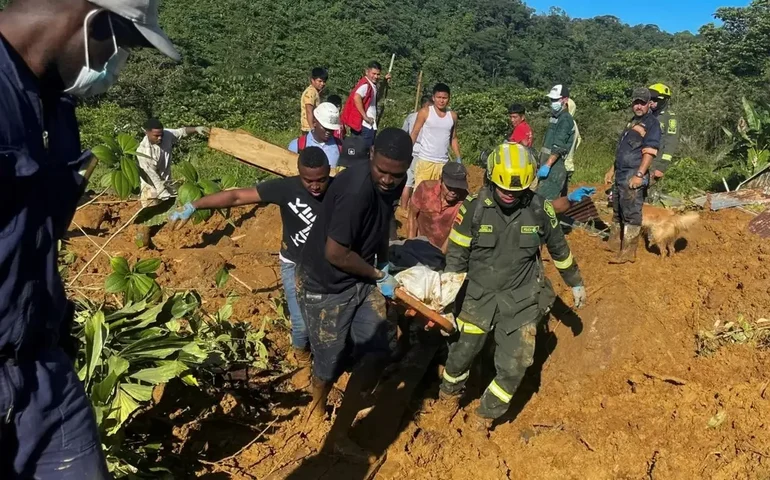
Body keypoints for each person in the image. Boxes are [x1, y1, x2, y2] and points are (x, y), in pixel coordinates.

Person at [0, 0, 180, 477]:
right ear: (93, 21)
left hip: (40, 365)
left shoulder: (52, 105)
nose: (116, 68)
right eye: (123, 46)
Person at [436, 142, 586, 433]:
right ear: (491, 178)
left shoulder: (539, 209)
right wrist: (445, 301)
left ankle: (485, 416)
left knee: (517, 362)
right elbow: (456, 256)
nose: (509, 195)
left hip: (521, 299)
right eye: (503, 188)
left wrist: (575, 283)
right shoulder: (474, 207)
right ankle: (448, 397)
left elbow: (559, 249)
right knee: (461, 354)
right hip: (477, 296)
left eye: (516, 192)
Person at [296, 128, 412, 454]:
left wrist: (385, 261)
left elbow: (383, 219)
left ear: (407, 166)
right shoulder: (355, 188)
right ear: (371, 155)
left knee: (376, 354)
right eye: (382, 171)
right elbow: (335, 253)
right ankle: (316, 408)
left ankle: (340, 432)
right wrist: (377, 273)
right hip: (326, 283)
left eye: (396, 173)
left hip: (360, 277)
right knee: (329, 363)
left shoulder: (394, 180)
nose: (388, 180)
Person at [169, 147, 332, 367]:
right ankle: (302, 360)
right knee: (301, 325)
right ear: (299, 173)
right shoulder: (286, 188)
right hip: (294, 264)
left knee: (330, 320)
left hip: (328, 264)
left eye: (321, 180)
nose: (315, 186)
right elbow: (236, 197)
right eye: (308, 180)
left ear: (329, 171)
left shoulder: (339, 190)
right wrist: (194, 205)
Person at [603, 87, 661, 264]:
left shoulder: (652, 124)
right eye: (636, 102)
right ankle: (614, 243)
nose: (638, 106)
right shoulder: (632, 123)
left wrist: (639, 174)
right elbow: (622, 150)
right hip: (621, 171)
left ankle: (628, 253)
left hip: (633, 173)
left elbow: (650, 152)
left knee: (631, 212)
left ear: (649, 104)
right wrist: (611, 170)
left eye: (642, 103)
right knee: (618, 211)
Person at [138, 118, 209, 207]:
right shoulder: (143, 152)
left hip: (167, 181)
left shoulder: (166, 134)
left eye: (161, 135)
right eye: (156, 136)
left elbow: (182, 132)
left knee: (173, 208)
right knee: (153, 211)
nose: (160, 138)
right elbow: (152, 177)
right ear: (146, 133)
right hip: (151, 186)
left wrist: (196, 129)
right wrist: (164, 194)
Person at [407, 162, 468, 253]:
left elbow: (453, 233)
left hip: (445, 252)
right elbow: (412, 216)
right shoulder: (425, 189)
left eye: (458, 188)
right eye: (450, 187)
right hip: (420, 245)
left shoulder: (465, 202)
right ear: (441, 180)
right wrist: (410, 248)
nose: (453, 192)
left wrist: (440, 257)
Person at [409, 83, 462, 189]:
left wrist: (458, 157)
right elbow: (414, 133)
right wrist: (407, 152)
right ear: (433, 98)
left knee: (438, 196)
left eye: (444, 98)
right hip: (425, 161)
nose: (441, 101)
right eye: (439, 97)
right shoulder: (425, 112)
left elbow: (453, 138)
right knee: (421, 195)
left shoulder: (452, 116)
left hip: (443, 163)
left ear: (449, 99)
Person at [340, 61, 391, 149]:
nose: (376, 76)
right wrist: (365, 116)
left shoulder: (371, 85)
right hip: (365, 125)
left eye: (378, 74)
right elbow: (357, 97)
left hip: (366, 124)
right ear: (367, 72)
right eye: (373, 73)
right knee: (362, 151)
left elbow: (377, 97)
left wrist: (384, 83)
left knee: (358, 150)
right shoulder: (366, 85)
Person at [536, 84, 575, 200]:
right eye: (552, 99)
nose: (553, 102)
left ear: (565, 100)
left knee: (545, 201)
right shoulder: (555, 117)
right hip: (547, 164)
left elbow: (558, 145)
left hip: (554, 167)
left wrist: (547, 165)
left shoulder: (565, 119)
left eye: (556, 99)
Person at [401, 95, 434, 209]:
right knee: (420, 183)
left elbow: (404, 132)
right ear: (426, 105)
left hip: (411, 150)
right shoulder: (429, 118)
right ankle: (415, 209)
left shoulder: (411, 117)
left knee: (408, 181)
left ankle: (403, 208)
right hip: (423, 153)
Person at [647, 83, 679, 202]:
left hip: (655, 162)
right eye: (650, 99)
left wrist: (662, 166)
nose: (651, 102)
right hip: (641, 159)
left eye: (655, 100)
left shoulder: (670, 118)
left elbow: (670, 143)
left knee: (648, 194)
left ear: (664, 100)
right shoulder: (647, 115)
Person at [288, 102, 342, 168]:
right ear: (314, 122)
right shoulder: (297, 146)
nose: (328, 132)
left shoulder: (340, 146)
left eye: (331, 129)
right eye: (325, 128)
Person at [563, 98, 582, 196]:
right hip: (568, 165)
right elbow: (578, 140)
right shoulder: (574, 123)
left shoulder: (566, 124)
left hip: (562, 165)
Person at [300, 67, 328, 133]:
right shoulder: (310, 92)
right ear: (312, 80)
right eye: (320, 81)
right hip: (308, 128)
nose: (322, 84)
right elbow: (308, 111)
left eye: (324, 81)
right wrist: (312, 129)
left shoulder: (315, 91)